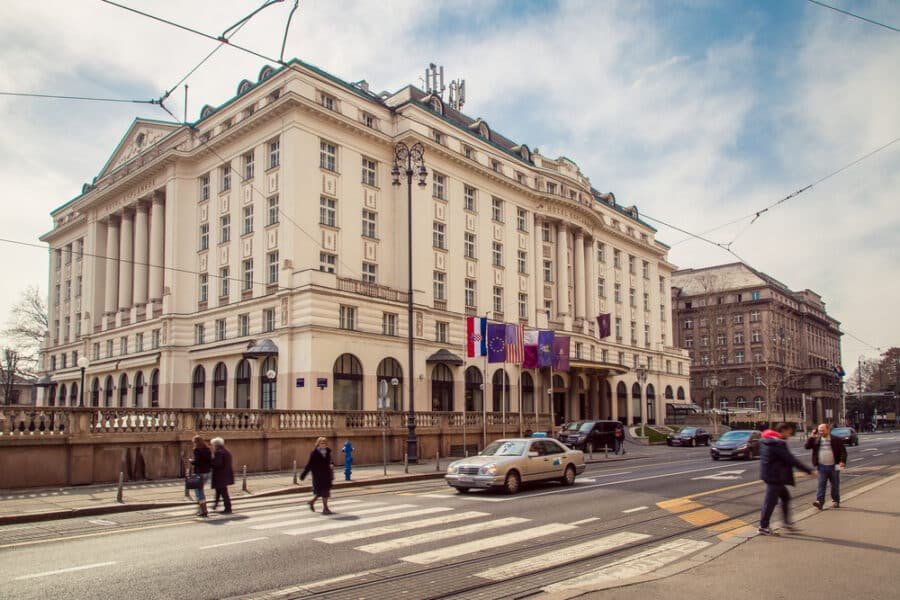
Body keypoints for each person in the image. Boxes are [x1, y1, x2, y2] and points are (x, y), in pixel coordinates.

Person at [758, 422, 813, 535]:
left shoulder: (766, 441)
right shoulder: (777, 443)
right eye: (789, 431)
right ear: (782, 431)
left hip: (771, 475)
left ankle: (786, 523)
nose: (790, 434)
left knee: (785, 497)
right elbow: (790, 459)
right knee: (770, 502)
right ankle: (763, 527)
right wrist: (808, 470)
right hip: (775, 477)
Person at [805, 423, 847, 509]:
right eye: (819, 430)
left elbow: (843, 451)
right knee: (821, 484)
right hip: (821, 466)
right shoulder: (816, 439)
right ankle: (819, 502)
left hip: (834, 466)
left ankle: (836, 501)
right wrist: (812, 436)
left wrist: (842, 461)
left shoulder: (836, 439)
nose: (820, 432)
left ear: (828, 430)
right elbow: (807, 447)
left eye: (823, 430)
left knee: (835, 485)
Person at [300, 437, 334, 515]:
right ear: (318, 444)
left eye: (325, 443)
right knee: (323, 491)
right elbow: (309, 464)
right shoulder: (314, 453)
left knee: (324, 491)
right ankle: (325, 508)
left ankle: (312, 502)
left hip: (326, 474)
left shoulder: (328, 451)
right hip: (318, 475)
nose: (323, 445)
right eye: (322, 443)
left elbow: (331, 460)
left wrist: (332, 464)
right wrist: (303, 475)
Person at [188, 435, 212, 517]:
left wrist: (191, 461)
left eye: (194, 442)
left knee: (199, 491)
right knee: (200, 490)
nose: (194, 444)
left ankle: (203, 510)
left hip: (199, 473)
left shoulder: (197, 450)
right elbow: (210, 461)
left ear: (196, 442)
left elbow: (197, 462)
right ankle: (202, 509)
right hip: (207, 472)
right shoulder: (208, 449)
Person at [210, 437, 234, 514]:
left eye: (213, 445)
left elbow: (217, 464)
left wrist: (210, 463)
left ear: (216, 445)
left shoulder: (218, 452)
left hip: (220, 475)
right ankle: (215, 505)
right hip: (225, 474)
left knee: (223, 492)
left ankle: (228, 508)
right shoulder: (226, 451)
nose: (212, 446)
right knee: (219, 491)